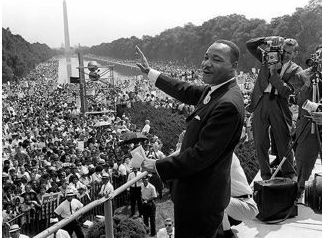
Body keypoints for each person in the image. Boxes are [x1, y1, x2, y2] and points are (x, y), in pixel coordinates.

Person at [137, 40, 245, 237]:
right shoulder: (215, 90)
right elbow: (184, 90)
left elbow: (201, 155)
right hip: (197, 194)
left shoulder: (227, 104)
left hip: (201, 199)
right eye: (205, 57)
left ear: (234, 67)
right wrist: (150, 73)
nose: (207, 63)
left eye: (216, 59)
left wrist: (158, 165)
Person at [246, 36, 303, 180]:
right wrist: (266, 39)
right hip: (261, 101)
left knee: (283, 141)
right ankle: (265, 174)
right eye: (283, 50)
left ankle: (288, 174)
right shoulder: (268, 57)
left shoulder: (296, 70)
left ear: (294, 54)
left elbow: (286, 91)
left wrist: (273, 74)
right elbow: (250, 45)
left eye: (289, 53)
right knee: (260, 141)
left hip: (279, 103)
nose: (284, 54)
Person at [294, 44, 322, 198]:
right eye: (319, 55)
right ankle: (300, 189)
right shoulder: (302, 75)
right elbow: (298, 100)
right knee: (304, 159)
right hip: (307, 125)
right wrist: (307, 84)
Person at [222, 153, 259, 238]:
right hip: (236, 202)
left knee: (217, 200)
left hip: (246, 204)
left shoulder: (226, 157)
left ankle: (228, 234)